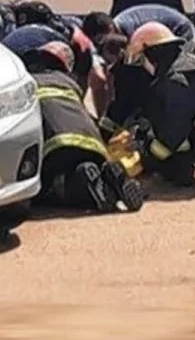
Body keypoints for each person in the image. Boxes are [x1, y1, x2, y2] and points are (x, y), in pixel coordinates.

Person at [20, 40, 145, 212]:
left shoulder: (25, 84)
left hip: (55, 148)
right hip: (95, 146)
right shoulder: (69, 83)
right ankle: (109, 174)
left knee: (45, 191)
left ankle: (80, 186)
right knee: (85, 165)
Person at [123, 21, 195, 186]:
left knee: (171, 156)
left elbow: (174, 131)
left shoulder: (175, 80)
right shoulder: (185, 62)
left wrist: (147, 157)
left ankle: (192, 165)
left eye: (142, 59)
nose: (143, 65)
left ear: (153, 53)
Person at [114, 4, 195, 52]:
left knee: (174, 66)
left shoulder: (126, 27)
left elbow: (133, 52)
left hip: (182, 29)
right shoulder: (120, 23)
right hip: (171, 26)